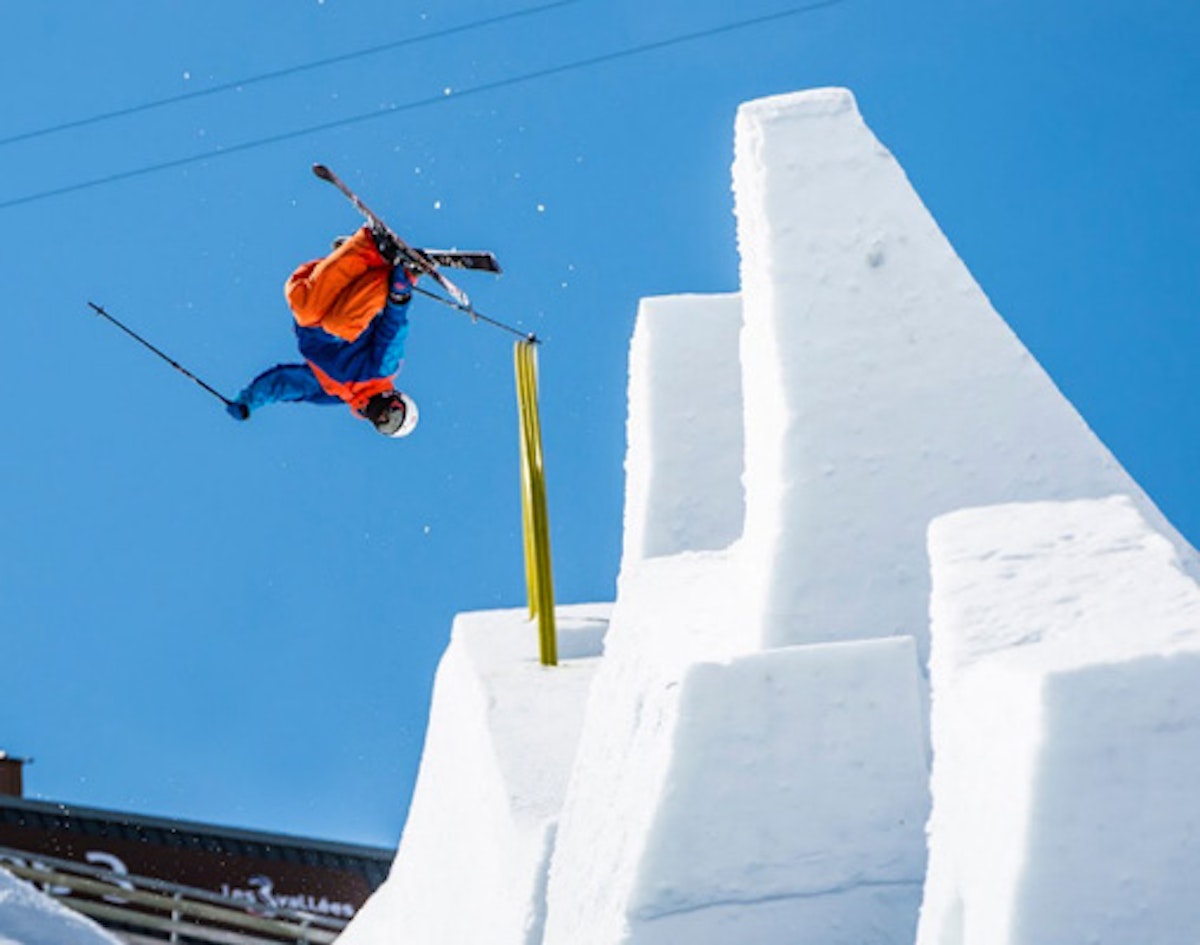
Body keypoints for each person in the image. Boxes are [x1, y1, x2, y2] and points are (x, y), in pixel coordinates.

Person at [227, 224, 420, 437]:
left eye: (387, 426)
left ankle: (363, 256)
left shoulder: (333, 392)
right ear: (398, 398)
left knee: (302, 304)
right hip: (352, 319)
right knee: (339, 324)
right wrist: (399, 296)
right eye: (395, 413)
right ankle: (373, 252)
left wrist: (248, 402)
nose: (385, 416)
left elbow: (285, 383)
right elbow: (391, 331)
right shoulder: (381, 370)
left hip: (313, 327)